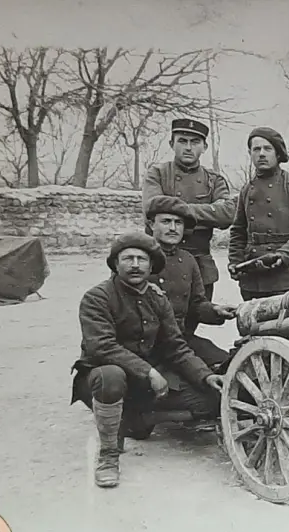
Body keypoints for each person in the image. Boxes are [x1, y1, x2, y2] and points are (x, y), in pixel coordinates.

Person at [70, 231, 225, 489]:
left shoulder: (157, 299)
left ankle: (138, 418)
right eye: (127, 258)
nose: (134, 265)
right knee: (111, 377)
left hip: (148, 378)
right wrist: (149, 372)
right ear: (115, 264)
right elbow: (101, 347)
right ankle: (108, 455)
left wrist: (205, 375)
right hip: (105, 374)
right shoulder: (97, 298)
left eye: (141, 259)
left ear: (151, 266)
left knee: (210, 400)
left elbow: (176, 346)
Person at [142, 118, 235, 333]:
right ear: (171, 143)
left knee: (189, 323)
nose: (188, 147)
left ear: (204, 147)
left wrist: (175, 210)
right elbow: (151, 207)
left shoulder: (214, 180)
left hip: (199, 262)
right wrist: (204, 212)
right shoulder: (157, 173)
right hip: (159, 260)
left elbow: (227, 214)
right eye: (182, 141)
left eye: (195, 142)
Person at [228, 126, 289, 301]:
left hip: (288, 278)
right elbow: (238, 231)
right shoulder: (247, 190)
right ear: (250, 154)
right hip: (253, 279)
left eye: (267, 149)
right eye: (256, 149)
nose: (261, 154)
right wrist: (235, 262)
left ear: (278, 154)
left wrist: (283, 255)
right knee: (253, 326)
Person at [145, 195, 236, 370]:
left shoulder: (188, 260)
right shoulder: (138, 259)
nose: (173, 228)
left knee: (230, 364)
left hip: (181, 340)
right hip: (147, 345)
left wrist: (215, 310)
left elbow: (197, 303)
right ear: (151, 224)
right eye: (166, 221)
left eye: (178, 223)